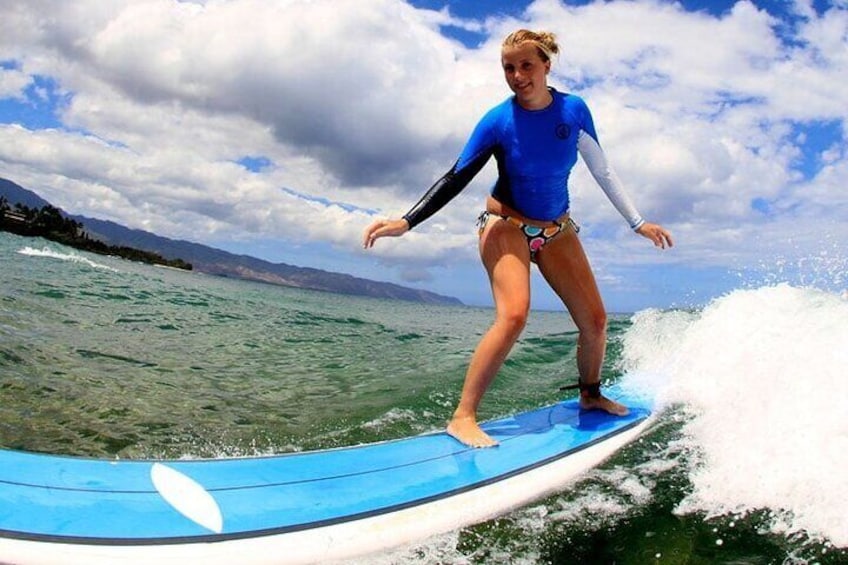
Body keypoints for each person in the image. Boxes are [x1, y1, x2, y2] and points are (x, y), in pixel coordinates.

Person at [363, 29, 673, 448]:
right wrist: (407, 221)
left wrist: (638, 223)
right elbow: (457, 176)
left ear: (546, 64)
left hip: (556, 229)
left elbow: (602, 170)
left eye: (526, 65)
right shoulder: (498, 121)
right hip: (505, 224)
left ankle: (591, 395)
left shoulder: (574, 111)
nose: (517, 75)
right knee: (513, 315)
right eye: (509, 67)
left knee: (596, 321)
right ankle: (463, 416)